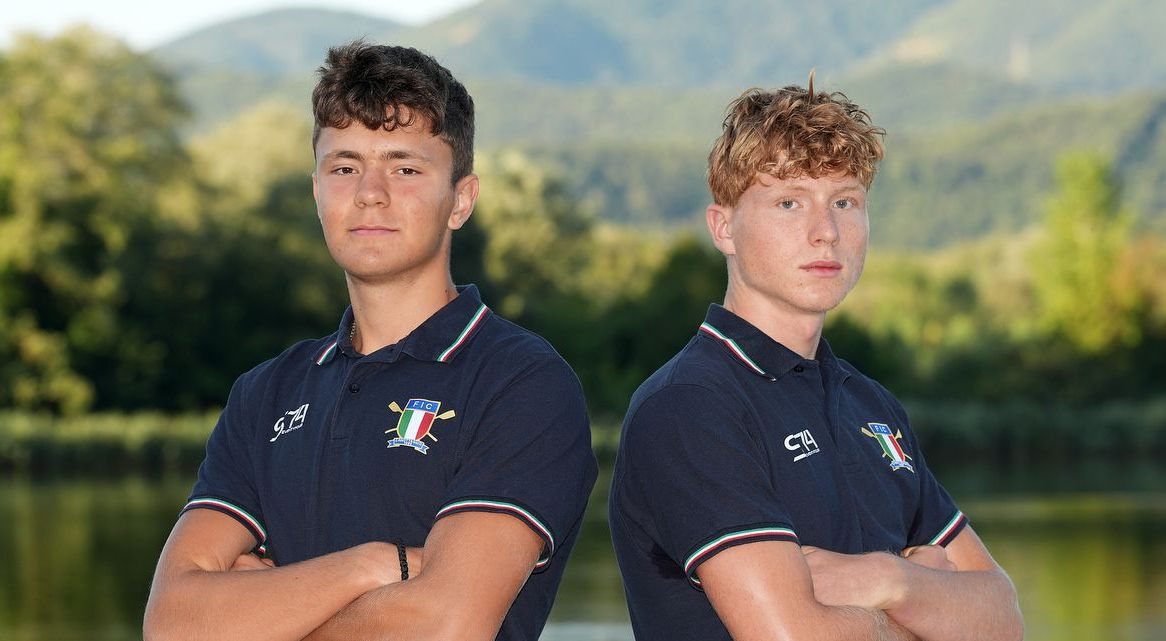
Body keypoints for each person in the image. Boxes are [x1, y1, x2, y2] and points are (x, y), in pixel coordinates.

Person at [143, 41, 597, 641]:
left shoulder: (520, 381)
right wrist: (377, 565)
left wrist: (262, 613)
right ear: (316, 190)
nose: (370, 193)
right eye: (344, 167)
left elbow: (446, 624)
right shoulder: (265, 393)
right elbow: (172, 624)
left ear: (461, 200)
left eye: (404, 169)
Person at [608, 77, 1023, 641]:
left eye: (844, 202)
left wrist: (887, 579)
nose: (825, 232)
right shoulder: (689, 406)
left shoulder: (870, 404)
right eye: (789, 203)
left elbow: (1004, 621)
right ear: (723, 228)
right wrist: (931, 606)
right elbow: (789, 635)